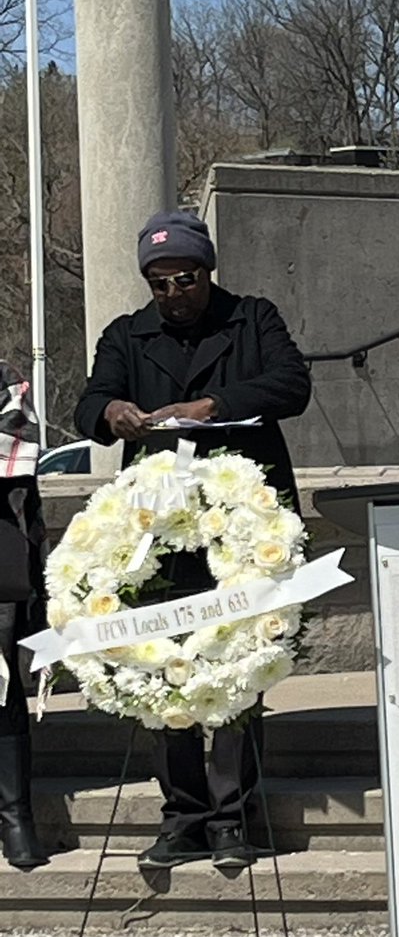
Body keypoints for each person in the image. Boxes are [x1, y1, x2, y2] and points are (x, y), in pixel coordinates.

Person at [75, 210, 312, 871]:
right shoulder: (126, 335)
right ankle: (182, 817)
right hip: (159, 528)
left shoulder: (252, 318)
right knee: (165, 669)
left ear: (207, 272)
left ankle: (234, 818)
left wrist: (212, 407)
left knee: (236, 669)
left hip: (242, 523)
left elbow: (292, 384)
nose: (174, 294)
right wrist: (112, 412)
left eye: (185, 279)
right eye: (160, 283)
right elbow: (89, 400)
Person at [0, 361, 49, 870]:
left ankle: (16, 816)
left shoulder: (6, 380)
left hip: (0, 555)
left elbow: (16, 454)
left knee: (2, 687)